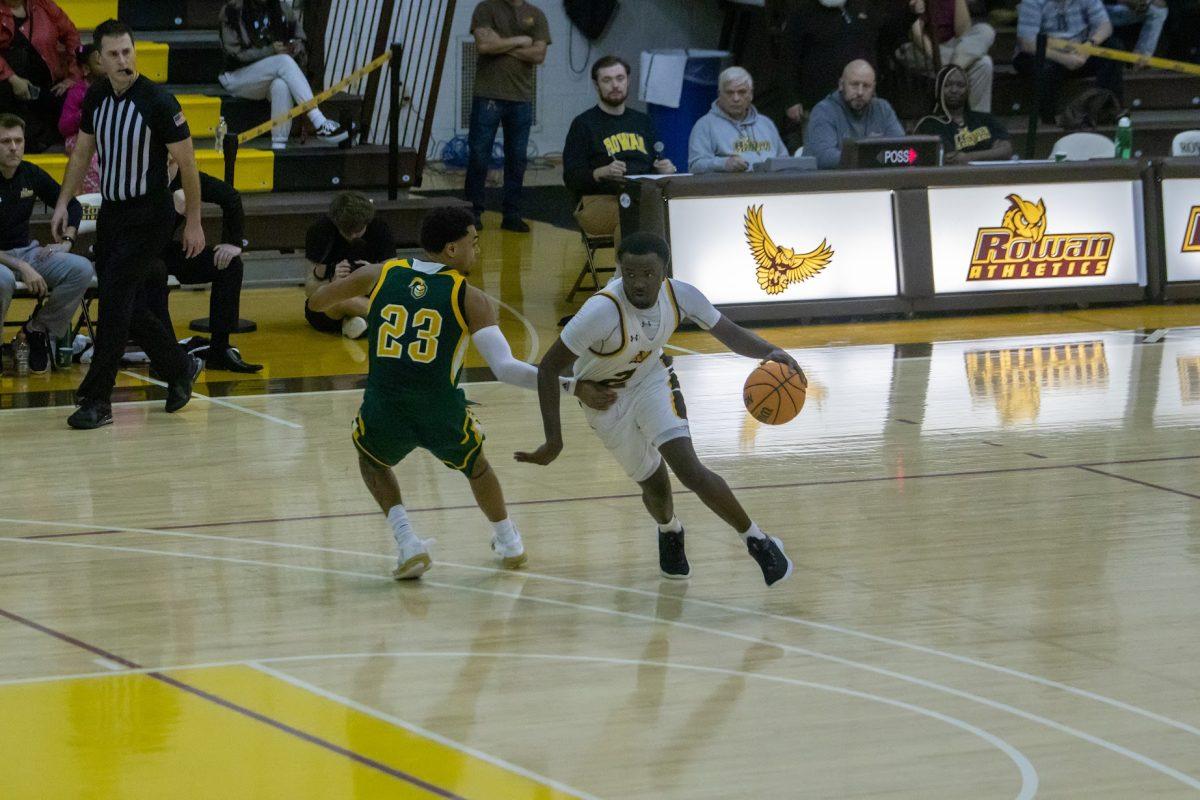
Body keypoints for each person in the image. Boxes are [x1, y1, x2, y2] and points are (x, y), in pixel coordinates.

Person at [307, 206, 610, 579]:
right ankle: (509, 540)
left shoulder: (379, 274)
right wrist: (572, 386)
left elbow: (317, 302)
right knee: (477, 467)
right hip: (440, 406)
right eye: (474, 243)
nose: (477, 251)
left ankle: (407, 543)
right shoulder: (471, 298)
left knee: (371, 459)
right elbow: (506, 369)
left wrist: (344, 293)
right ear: (451, 250)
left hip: (385, 403)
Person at [516, 232, 800, 587]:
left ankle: (758, 541)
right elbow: (548, 368)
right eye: (630, 273)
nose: (638, 282)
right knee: (655, 485)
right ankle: (670, 529)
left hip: (652, 382)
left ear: (664, 272)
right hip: (605, 400)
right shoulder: (601, 311)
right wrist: (554, 439)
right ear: (621, 270)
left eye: (648, 274)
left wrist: (770, 352)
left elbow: (728, 332)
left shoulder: (682, 295)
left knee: (689, 469)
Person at [51, 19, 206, 430]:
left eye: (128, 52)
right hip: (113, 213)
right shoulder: (97, 96)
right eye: (114, 54)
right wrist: (63, 202)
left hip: (151, 214)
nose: (123, 60)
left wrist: (193, 220)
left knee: (116, 302)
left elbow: (189, 164)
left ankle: (97, 400)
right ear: (98, 60)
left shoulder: (158, 101)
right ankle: (179, 366)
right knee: (126, 305)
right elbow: (82, 155)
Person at [153, 153, 261, 373]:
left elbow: (230, 197)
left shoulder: (186, 178)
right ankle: (166, 358)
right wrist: (171, 204)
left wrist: (233, 243)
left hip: (166, 250)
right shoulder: (142, 179)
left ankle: (219, 350)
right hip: (141, 252)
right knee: (156, 271)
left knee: (229, 265)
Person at [0, 112, 90, 373]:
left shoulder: (30, 174)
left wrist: (68, 240)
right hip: (5, 259)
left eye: (18, 140)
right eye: (6, 141)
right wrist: (23, 267)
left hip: (26, 252)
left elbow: (71, 204)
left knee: (81, 269)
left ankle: (37, 330)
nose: (14, 147)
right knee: (3, 280)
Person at [562, 55, 675, 241]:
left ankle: (651, 269)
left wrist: (664, 169)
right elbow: (571, 178)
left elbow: (655, 162)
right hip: (599, 200)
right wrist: (601, 172)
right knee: (635, 218)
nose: (615, 85)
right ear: (596, 85)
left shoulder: (643, 122)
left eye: (620, 78)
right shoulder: (583, 124)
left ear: (628, 81)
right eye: (607, 80)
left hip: (643, 197)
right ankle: (628, 270)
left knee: (670, 215)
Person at [464, 0, 551, 233]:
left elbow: (539, 54)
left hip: (521, 97)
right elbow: (484, 46)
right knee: (479, 154)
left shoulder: (536, 14)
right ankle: (473, 212)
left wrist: (500, 43)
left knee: (517, 158)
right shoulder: (486, 8)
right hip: (488, 95)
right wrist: (521, 40)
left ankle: (512, 213)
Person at [219, 0, 347, 149]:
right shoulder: (232, 10)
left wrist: (295, 47)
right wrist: (270, 51)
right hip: (236, 76)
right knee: (283, 61)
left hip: (270, 74)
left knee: (281, 85)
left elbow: (301, 40)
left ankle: (279, 146)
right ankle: (318, 120)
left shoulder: (281, 8)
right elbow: (234, 54)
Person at [780, 0, 884, 134]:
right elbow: (788, 60)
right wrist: (791, 100)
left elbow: (870, 50)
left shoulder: (859, 9)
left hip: (860, 104)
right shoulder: (801, 13)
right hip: (817, 103)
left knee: (861, 152)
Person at [304, 191, 395, 339]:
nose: (353, 236)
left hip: (370, 295)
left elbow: (395, 280)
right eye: (347, 232)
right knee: (339, 300)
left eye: (358, 231)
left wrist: (374, 272)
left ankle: (352, 323)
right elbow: (310, 291)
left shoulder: (379, 228)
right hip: (331, 305)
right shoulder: (320, 231)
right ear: (335, 223)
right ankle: (390, 320)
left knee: (345, 301)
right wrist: (331, 280)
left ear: (367, 223)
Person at [1013, 0, 1122, 124]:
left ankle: (1108, 109)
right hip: (1047, 54)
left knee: (1113, 48)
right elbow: (1027, 43)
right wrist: (1064, 59)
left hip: (1080, 50)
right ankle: (1050, 121)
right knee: (1044, 67)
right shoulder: (1032, 2)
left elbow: (1105, 26)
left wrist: (1089, 46)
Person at [0, 0, 81, 152]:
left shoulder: (44, 4)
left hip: (45, 86)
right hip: (7, 89)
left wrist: (73, 76)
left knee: (76, 95)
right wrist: (12, 78)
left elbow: (72, 35)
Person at [896, 0, 996, 112]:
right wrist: (938, 59)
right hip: (922, 47)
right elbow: (916, 32)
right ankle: (952, 71)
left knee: (985, 31)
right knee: (983, 63)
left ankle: (978, 121)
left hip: (952, 48)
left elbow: (962, 32)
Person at [804, 59, 905, 169]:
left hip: (875, 182)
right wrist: (873, 157)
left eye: (866, 86)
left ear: (874, 88)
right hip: (832, 183)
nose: (860, 92)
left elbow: (902, 150)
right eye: (854, 84)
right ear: (841, 85)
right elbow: (823, 158)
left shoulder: (883, 109)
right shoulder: (824, 111)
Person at [688, 67, 788, 174]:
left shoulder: (766, 123)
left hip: (771, 186)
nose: (736, 98)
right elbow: (695, 166)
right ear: (719, 94)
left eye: (742, 92)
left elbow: (784, 160)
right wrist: (724, 164)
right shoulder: (705, 125)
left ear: (751, 94)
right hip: (732, 187)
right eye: (729, 93)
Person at [914, 64, 1012, 163]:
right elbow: (951, 159)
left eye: (960, 85)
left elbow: (1006, 151)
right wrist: (991, 152)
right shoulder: (930, 123)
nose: (954, 90)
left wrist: (967, 157)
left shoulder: (985, 119)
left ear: (968, 90)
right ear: (938, 89)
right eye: (947, 85)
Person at [58, 43, 102, 194]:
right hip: (79, 137)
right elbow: (64, 126)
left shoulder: (113, 90)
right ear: (86, 69)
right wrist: (83, 115)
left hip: (103, 137)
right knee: (91, 158)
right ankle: (92, 198)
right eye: (100, 62)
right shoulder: (77, 92)